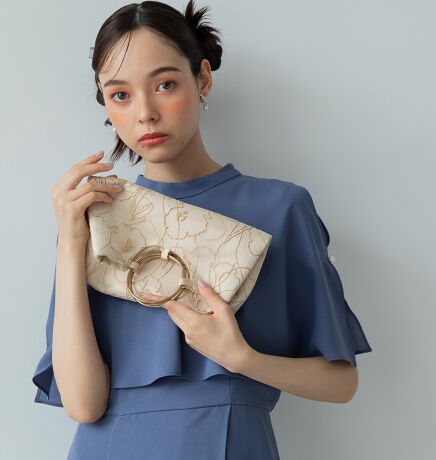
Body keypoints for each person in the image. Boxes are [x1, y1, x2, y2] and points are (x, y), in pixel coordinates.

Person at [32, 1, 373, 458]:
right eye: (121, 95)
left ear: (203, 79)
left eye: (165, 84)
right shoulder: (92, 220)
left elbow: (341, 382)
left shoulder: (281, 208)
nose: (145, 113)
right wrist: (71, 244)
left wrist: (241, 358)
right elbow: (83, 405)